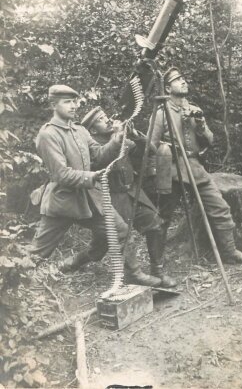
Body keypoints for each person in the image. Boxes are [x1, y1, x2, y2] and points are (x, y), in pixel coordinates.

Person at [31, 84, 160, 287]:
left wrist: (117, 139)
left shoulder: (79, 130)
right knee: (38, 252)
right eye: (67, 102)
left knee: (121, 231)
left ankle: (133, 275)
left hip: (89, 198)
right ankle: (11, 285)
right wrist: (94, 176)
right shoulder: (48, 135)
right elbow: (61, 174)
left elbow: (99, 155)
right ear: (53, 105)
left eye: (74, 101)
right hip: (63, 201)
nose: (73, 106)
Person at [149, 67, 242, 264]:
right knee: (163, 217)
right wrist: (160, 159)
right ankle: (156, 263)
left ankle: (229, 253)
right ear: (167, 87)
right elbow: (150, 146)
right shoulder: (161, 113)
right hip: (171, 170)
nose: (183, 81)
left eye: (183, 78)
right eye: (177, 79)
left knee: (220, 206)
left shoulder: (193, 109)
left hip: (195, 167)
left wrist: (201, 125)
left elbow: (210, 140)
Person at [81, 107, 177, 288]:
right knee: (101, 245)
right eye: (101, 120)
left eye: (106, 116)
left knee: (155, 224)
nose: (108, 120)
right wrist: (116, 138)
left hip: (132, 192)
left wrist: (133, 133)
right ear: (93, 130)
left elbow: (149, 151)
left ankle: (158, 271)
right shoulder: (92, 145)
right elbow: (101, 161)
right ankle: (74, 262)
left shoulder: (120, 136)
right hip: (111, 197)